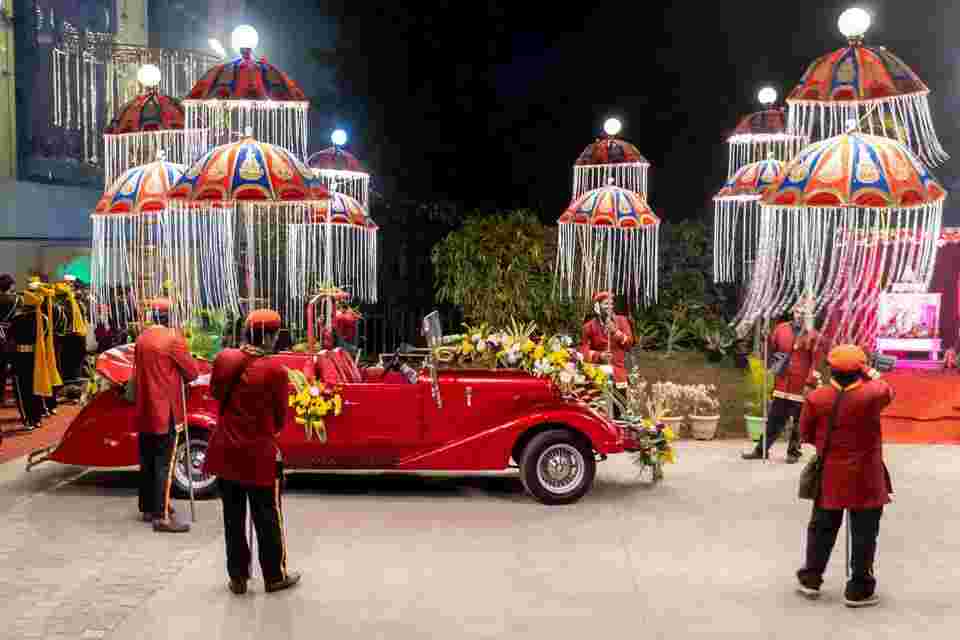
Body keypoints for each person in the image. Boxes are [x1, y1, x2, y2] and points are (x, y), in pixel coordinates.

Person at [204, 308, 300, 595]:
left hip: (226, 451)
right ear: (269, 337)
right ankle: (273, 576)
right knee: (267, 516)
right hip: (258, 454)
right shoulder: (274, 371)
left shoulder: (224, 359)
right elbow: (280, 418)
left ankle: (238, 578)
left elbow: (216, 394)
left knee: (233, 518)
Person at [795, 344, 893, 608]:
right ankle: (858, 589)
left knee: (822, 528)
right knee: (864, 533)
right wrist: (868, 371)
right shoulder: (873, 394)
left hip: (831, 474)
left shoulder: (817, 398)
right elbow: (886, 388)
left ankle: (811, 579)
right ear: (861, 370)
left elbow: (805, 434)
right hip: (867, 475)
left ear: (831, 370)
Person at [133, 298, 199, 533]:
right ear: (169, 316)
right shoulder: (173, 338)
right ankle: (161, 515)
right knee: (164, 462)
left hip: (145, 409)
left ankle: (149, 507)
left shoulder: (141, 338)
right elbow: (192, 373)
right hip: (165, 411)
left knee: (148, 460)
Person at [743, 296, 824, 463]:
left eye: (804, 312)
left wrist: (809, 382)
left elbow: (816, 362)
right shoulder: (780, 329)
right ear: (793, 311)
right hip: (782, 382)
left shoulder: (814, 336)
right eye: (798, 311)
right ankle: (761, 450)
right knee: (774, 419)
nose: (800, 315)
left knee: (798, 422)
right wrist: (765, 343)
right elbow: (770, 352)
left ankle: (793, 452)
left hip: (801, 385)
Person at [580, 291, 634, 389]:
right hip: (597, 372)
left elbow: (629, 345)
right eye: (606, 304)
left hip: (619, 372)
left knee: (619, 403)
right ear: (597, 307)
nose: (610, 307)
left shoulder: (622, 321)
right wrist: (599, 356)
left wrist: (615, 332)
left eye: (611, 304)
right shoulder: (588, 327)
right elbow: (584, 352)